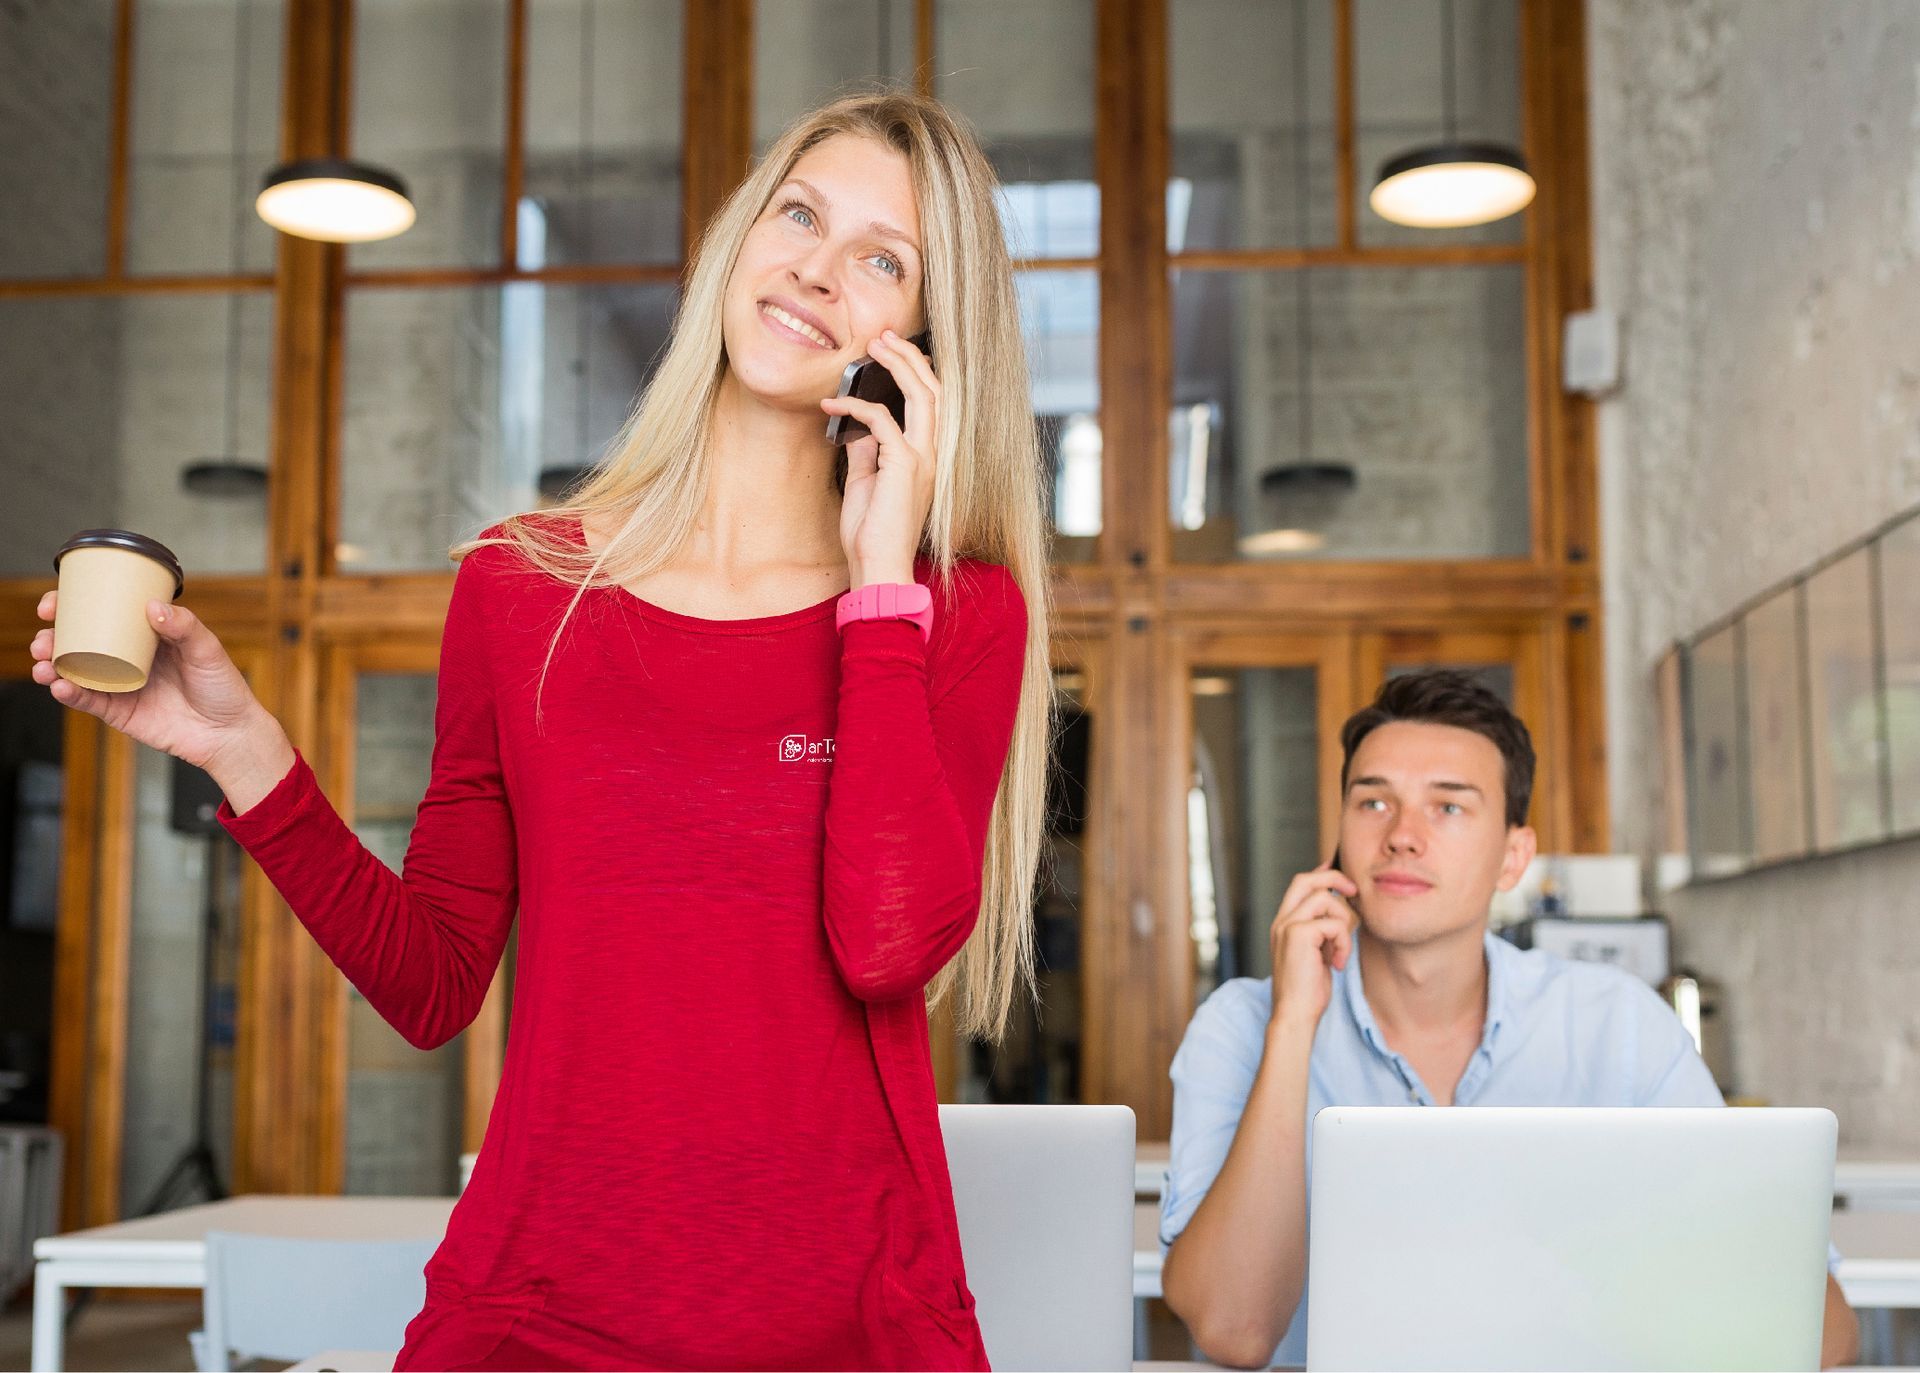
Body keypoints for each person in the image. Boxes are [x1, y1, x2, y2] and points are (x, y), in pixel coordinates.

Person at [28, 91, 1053, 1371]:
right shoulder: (522, 589)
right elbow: (432, 981)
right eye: (800, 215)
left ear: (922, 339)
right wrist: (243, 752)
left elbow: (885, 942)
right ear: (740, 236)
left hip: (851, 1323)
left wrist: (880, 588)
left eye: (882, 259)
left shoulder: (950, 615)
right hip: (539, 1309)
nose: (817, 268)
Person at [1158, 670, 1859, 1369]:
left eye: (1448, 807)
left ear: (1513, 857)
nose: (1402, 836)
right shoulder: (1241, 1026)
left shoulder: (1617, 1028)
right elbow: (1236, 1331)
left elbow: (1818, 1333)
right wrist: (1293, 1023)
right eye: (1373, 802)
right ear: (1340, 835)